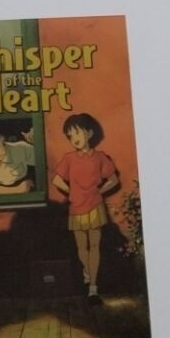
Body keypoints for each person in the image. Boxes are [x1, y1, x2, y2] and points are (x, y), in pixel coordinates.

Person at [51, 112, 120, 302]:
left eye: (77, 133)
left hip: (95, 206)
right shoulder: (69, 158)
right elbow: (56, 180)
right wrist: (71, 191)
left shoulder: (100, 157)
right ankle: (88, 271)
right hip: (76, 207)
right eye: (70, 136)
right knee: (82, 247)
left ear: (89, 133)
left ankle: (93, 287)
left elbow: (113, 180)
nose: (74, 138)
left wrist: (99, 191)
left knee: (95, 246)